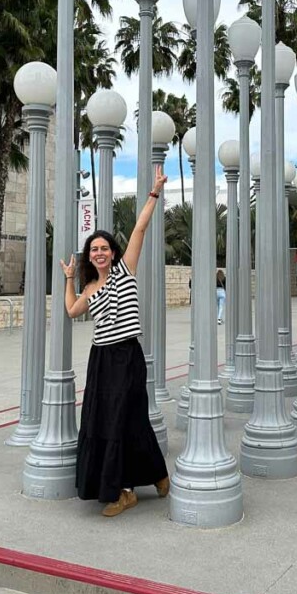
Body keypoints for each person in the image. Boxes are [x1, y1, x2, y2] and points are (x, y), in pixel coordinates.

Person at [60, 165, 170, 517]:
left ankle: (125, 489)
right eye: (94, 249)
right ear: (89, 255)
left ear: (113, 251)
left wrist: (154, 192)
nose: (100, 253)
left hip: (126, 355)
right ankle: (152, 475)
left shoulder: (125, 270)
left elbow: (140, 228)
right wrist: (69, 280)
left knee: (123, 418)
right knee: (111, 420)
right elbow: (73, 311)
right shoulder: (90, 287)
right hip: (101, 359)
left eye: (104, 247)